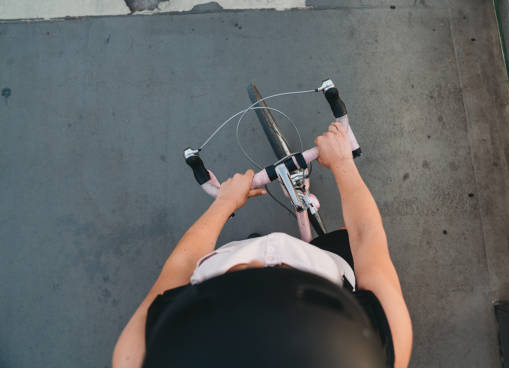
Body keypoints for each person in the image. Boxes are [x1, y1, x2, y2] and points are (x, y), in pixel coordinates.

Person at [113, 123, 413, 368]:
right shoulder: (388, 341)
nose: (259, 265)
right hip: (328, 269)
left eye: (239, 275)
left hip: (232, 261)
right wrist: (343, 163)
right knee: (346, 235)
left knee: (250, 245)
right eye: (278, 270)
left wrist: (225, 203)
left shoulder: (134, 356)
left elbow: (182, 264)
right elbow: (364, 234)